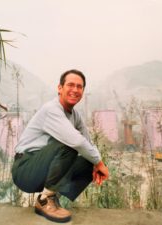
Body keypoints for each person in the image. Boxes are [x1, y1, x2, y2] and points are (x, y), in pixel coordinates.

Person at [11, 69, 109, 223]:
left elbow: (88, 143)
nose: (75, 90)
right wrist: (100, 163)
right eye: (70, 85)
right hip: (25, 169)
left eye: (79, 86)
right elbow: (76, 141)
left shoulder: (75, 116)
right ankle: (45, 200)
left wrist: (97, 163)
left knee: (88, 162)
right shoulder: (52, 109)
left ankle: (51, 197)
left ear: (83, 91)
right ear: (60, 88)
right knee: (69, 142)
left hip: (42, 170)